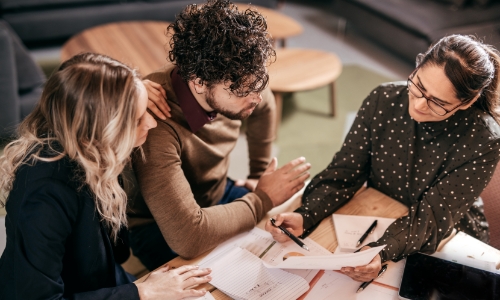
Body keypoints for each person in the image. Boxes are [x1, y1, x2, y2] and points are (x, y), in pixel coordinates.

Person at [265, 34, 500, 283]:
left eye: (438, 103)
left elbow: (432, 217)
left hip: (446, 234)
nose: (420, 104)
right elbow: (344, 172)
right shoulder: (383, 99)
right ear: (417, 66)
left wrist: (383, 250)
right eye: (419, 85)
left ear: (468, 101)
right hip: (379, 215)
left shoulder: (484, 140)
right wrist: (306, 215)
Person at [0, 53, 212, 300]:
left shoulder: (91, 150)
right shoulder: (44, 197)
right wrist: (142, 292)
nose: (152, 123)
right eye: (137, 119)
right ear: (97, 132)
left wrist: (132, 93)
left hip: (106, 278)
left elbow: (115, 252)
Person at [127, 0, 311, 271]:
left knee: (284, 241)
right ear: (199, 82)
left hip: (215, 194)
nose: (256, 97)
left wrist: (258, 175)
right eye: (242, 92)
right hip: (162, 227)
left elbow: (265, 104)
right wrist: (262, 197)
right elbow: (188, 237)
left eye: (259, 83)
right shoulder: (157, 123)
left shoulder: (241, 80)